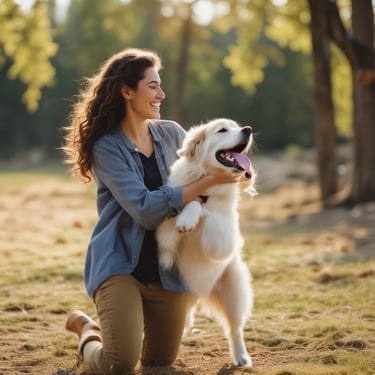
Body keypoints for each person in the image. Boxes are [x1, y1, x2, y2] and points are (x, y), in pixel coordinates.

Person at [62, 47, 240, 374]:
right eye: (153, 86)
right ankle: (88, 332)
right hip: (120, 266)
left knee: (160, 364)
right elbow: (144, 209)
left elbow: (205, 171)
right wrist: (206, 183)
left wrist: (232, 168)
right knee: (120, 363)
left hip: (168, 270)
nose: (162, 93)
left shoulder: (172, 133)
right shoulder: (107, 147)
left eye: (161, 85)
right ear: (127, 91)